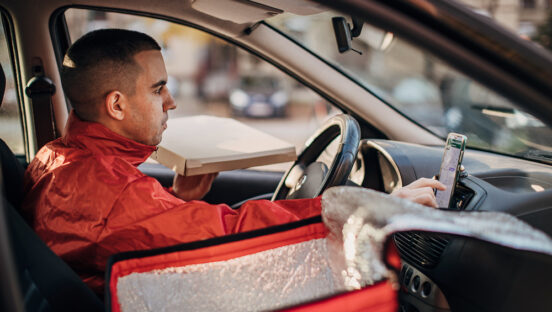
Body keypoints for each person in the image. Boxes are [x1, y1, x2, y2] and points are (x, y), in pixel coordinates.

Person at [22, 29, 445, 295]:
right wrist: (367, 208)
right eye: (158, 89)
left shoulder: (56, 156)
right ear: (116, 104)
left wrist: (175, 199)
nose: (170, 101)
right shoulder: (114, 193)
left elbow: (124, 230)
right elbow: (231, 232)